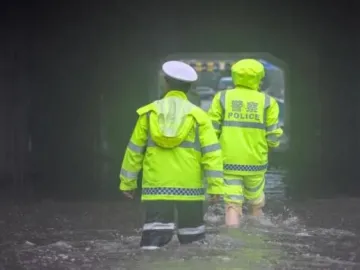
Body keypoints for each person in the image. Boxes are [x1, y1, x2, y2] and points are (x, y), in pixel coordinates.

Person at [119, 60, 223, 249]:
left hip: (156, 187)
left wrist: (128, 182)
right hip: (190, 188)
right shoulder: (199, 116)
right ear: (190, 87)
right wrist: (216, 187)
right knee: (194, 245)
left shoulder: (149, 113)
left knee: (152, 245)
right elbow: (212, 154)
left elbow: (134, 151)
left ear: (165, 83)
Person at [208, 59, 283, 228]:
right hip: (255, 161)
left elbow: (211, 131)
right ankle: (257, 232)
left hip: (228, 161)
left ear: (235, 76)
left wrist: (209, 156)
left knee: (232, 203)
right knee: (256, 202)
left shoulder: (222, 98)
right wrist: (271, 146)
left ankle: (232, 236)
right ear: (260, 77)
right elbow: (273, 134)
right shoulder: (268, 102)